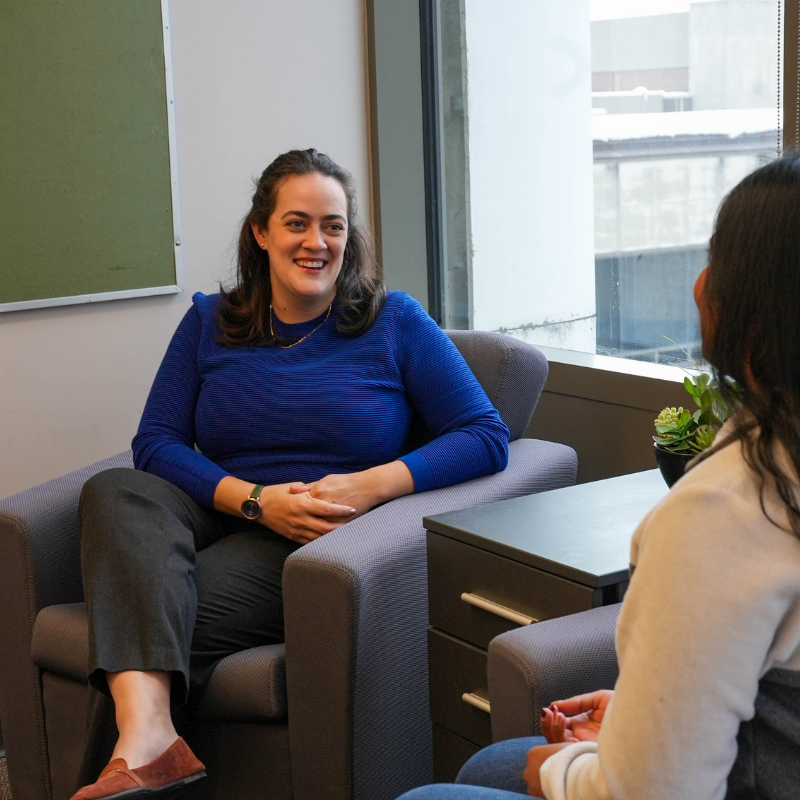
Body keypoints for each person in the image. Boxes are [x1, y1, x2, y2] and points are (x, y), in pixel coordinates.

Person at [71, 148, 510, 800]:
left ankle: (145, 744)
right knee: (113, 490)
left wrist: (370, 483)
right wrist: (252, 500)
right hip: (224, 509)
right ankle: (152, 744)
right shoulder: (209, 322)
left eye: (333, 225)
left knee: (152, 629)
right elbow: (156, 443)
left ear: (348, 237)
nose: (316, 241)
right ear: (262, 232)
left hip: (307, 537)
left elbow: (485, 436)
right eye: (298, 222)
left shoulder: (394, 322)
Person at [397, 153, 800, 799]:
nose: (699, 283)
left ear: (755, 313)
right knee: (487, 768)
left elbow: (650, 792)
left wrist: (553, 771)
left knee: (447, 789)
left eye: (717, 261)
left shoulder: (723, 516)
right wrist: (652, 711)